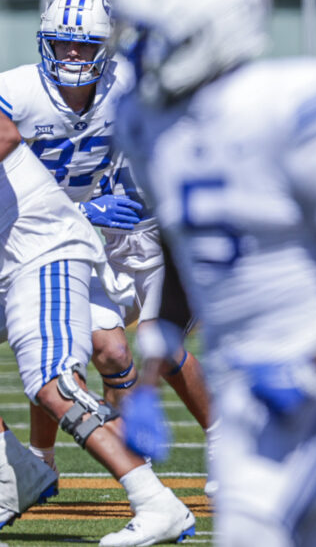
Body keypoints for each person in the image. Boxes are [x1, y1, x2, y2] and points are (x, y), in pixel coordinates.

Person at [108, 0, 316, 546]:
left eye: (157, 35)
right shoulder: (143, 122)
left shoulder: (284, 103)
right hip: (237, 373)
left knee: (256, 535)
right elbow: (182, 257)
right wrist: (147, 379)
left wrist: (312, 368)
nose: (137, 51)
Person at [0, 0, 213, 484]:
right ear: (46, 42)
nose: (73, 54)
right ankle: (40, 460)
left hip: (90, 236)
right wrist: (84, 208)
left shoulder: (128, 86)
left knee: (116, 352)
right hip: (26, 232)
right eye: (63, 43)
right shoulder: (17, 90)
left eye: (86, 45)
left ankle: (136, 467)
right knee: (59, 351)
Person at [0, 112, 194, 545]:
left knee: (54, 384)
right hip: (8, 251)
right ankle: (11, 476)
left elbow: (5, 133)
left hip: (40, 247)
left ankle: (156, 502)